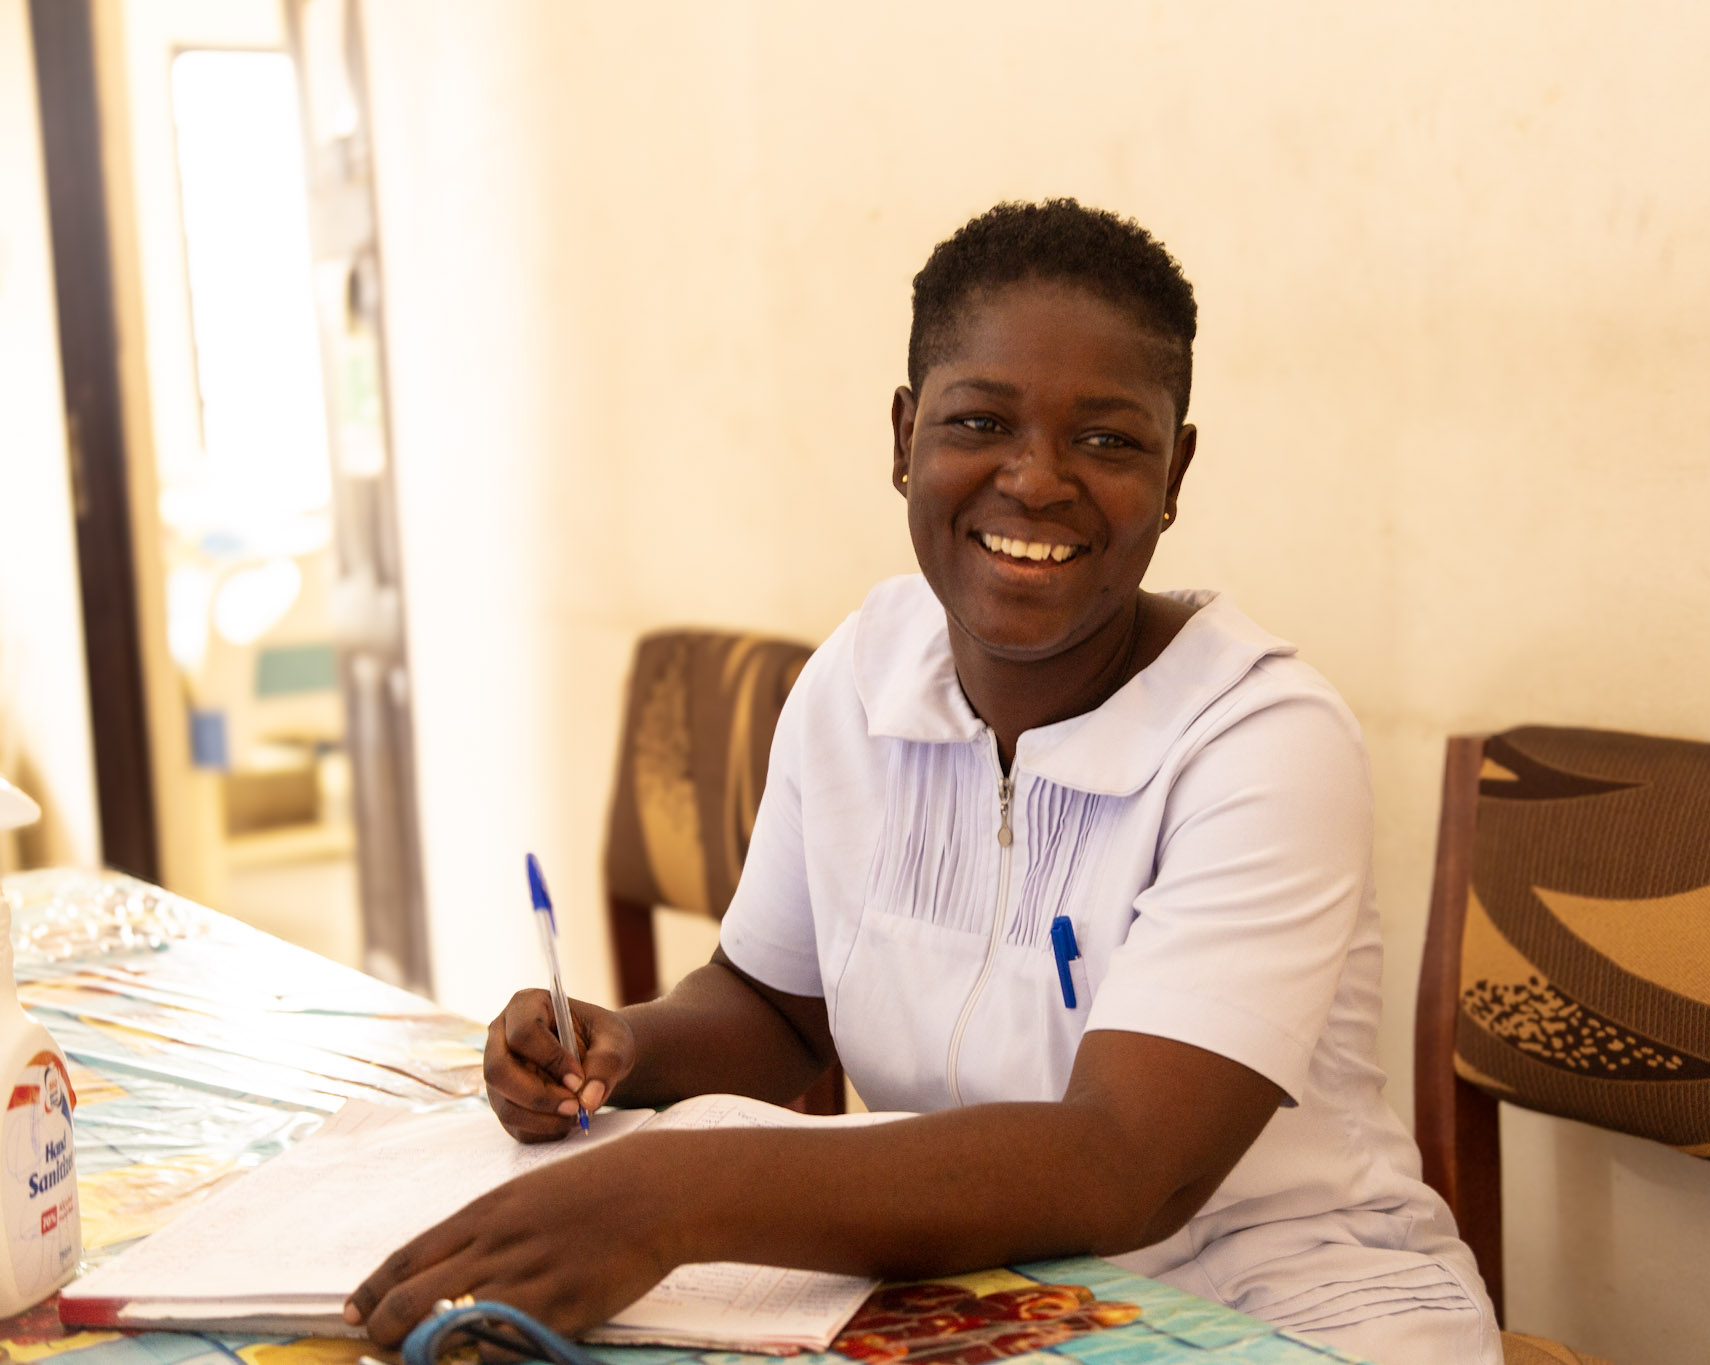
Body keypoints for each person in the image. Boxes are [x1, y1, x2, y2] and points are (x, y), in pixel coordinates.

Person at [346, 199, 1502, 1365]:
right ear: (904, 437)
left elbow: (1122, 1166)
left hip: (1291, 1307)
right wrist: (624, 1052)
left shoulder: (1260, 740)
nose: (1037, 480)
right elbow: (774, 1006)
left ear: (1175, 469)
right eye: (979, 420)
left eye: (1106, 440)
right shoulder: (860, 675)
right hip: (975, 1294)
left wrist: (674, 1191)